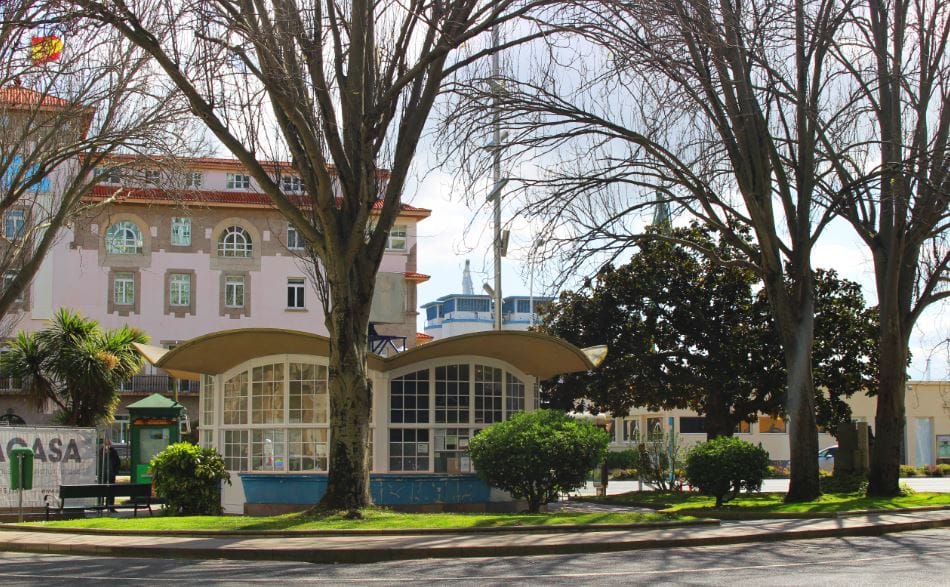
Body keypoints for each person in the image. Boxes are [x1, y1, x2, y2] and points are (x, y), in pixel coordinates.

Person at [103, 438, 120, 510]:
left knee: (107, 490)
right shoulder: (113, 451)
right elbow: (118, 462)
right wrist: (115, 472)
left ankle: (107, 505)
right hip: (111, 474)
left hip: (106, 474)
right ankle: (111, 506)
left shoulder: (102, 452)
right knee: (111, 491)